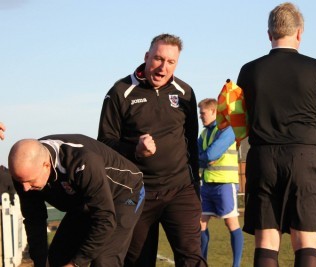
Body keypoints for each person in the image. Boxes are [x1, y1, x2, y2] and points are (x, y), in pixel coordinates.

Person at [237, 2, 316, 267]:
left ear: (269, 34)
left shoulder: (249, 70)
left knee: (266, 242)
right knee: (305, 241)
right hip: (303, 158)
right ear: (299, 33)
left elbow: (241, 122)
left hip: (262, 158)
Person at [97, 33, 206, 267]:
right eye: (158, 59)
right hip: (137, 193)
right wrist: (134, 150)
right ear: (146, 57)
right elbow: (104, 145)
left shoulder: (185, 93)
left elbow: (191, 145)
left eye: (171, 62)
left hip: (180, 190)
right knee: (138, 261)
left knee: (192, 258)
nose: (163, 68)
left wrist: (195, 188)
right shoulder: (120, 92)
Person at [8, 134, 145, 267]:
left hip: (124, 193)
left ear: (46, 166)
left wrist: (76, 263)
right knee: (56, 258)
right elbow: (34, 220)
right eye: (20, 182)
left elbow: (105, 219)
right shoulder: (24, 175)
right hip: (83, 200)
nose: (25, 188)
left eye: (30, 182)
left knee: (103, 261)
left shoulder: (81, 162)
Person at [198, 98, 244, 267]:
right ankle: (202, 263)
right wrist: (205, 159)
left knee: (231, 223)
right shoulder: (203, 134)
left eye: (203, 113)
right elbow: (201, 157)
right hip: (207, 185)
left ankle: (236, 265)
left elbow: (210, 155)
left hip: (225, 184)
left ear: (213, 112)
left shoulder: (228, 130)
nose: (200, 117)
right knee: (200, 223)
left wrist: (205, 158)